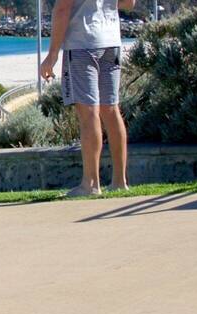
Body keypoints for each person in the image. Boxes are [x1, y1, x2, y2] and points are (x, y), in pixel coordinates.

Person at [39, 0, 135, 197]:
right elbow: (129, 3)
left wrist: (52, 55)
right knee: (111, 110)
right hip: (111, 41)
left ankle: (90, 184)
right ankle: (119, 181)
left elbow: (62, 9)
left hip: (83, 42)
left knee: (88, 112)